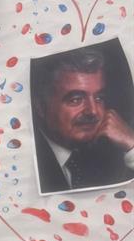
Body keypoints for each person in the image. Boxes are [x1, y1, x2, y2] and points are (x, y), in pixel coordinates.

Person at [31, 46, 134, 193]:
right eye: (76, 99)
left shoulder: (106, 155)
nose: (93, 111)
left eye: (99, 98)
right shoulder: (29, 163)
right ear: (41, 107)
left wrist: (131, 146)